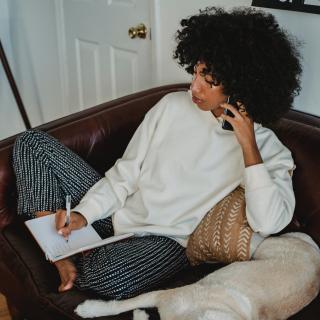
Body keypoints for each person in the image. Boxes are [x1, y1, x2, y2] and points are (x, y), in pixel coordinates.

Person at [13, 6, 301, 300]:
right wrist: (84, 215)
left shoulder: (267, 149)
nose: (194, 86)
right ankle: (59, 252)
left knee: (107, 276)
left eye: (208, 80)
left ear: (241, 87)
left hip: (166, 242)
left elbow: (269, 221)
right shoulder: (172, 106)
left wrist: (248, 146)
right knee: (31, 142)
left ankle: (77, 251)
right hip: (116, 215)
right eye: (196, 72)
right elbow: (126, 175)